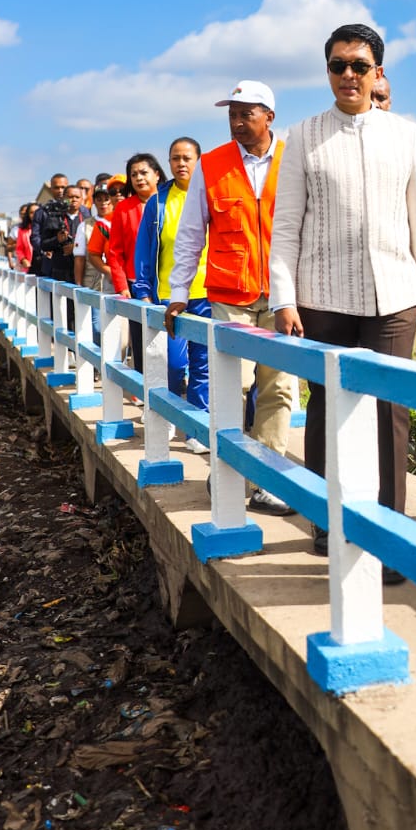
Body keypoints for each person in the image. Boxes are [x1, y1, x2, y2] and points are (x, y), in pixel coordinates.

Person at [270, 25, 416, 571]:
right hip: (322, 294)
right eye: (338, 65)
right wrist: (284, 298)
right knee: (327, 408)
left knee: (391, 413)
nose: (349, 75)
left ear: (378, 73)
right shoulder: (303, 135)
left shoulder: (405, 134)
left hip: (395, 294)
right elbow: (286, 227)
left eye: (360, 65)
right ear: (327, 72)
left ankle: (390, 536)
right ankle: (330, 522)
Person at [165, 82, 294, 515]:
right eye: (232, 115)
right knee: (231, 386)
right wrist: (179, 293)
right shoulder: (212, 164)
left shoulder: (294, 158)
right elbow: (189, 234)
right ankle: (230, 468)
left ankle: (268, 478)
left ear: (269, 117)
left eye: (246, 114)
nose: (237, 123)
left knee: (278, 387)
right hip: (229, 294)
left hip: (283, 295)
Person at [133, 137, 211, 450]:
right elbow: (145, 248)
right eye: (175, 158)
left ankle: (196, 429)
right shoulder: (158, 202)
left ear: (198, 160)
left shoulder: (210, 195)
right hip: (169, 295)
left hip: (207, 292)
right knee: (175, 365)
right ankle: (166, 417)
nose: (180, 164)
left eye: (186, 158)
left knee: (203, 365)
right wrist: (143, 290)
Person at [108, 153, 166, 373]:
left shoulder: (169, 200)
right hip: (136, 284)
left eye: (144, 172)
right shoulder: (123, 208)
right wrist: (122, 286)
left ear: (157, 174)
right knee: (142, 337)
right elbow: (115, 252)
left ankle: (175, 385)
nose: (139, 178)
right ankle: (145, 385)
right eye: (134, 175)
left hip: (169, 282)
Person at [371, 75, 416, 247]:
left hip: (399, 262)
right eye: (369, 97)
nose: (375, 104)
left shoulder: (406, 145)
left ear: (390, 102)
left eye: (381, 98)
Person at [30, 173, 73, 280]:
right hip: (50, 264)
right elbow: (35, 237)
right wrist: (45, 250)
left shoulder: (79, 210)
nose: (60, 191)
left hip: (74, 263)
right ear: (51, 189)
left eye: (63, 187)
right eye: (56, 187)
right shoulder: (41, 212)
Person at [14, 204, 35, 273]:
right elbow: (19, 249)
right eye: (31, 212)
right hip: (28, 265)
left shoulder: (45, 227)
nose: (34, 215)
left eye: (36, 212)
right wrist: (23, 260)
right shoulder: (22, 230)